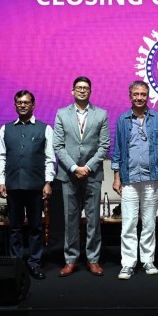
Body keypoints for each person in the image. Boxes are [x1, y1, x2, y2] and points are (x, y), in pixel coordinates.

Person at [0, 90, 56, 280]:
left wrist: (48, 182)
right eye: (19, 103)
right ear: (15, 105)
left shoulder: (45, 128)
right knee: (14, 227)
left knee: (36, 227)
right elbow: (1, 157)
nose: (22, 105)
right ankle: (16, 262)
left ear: (33, 105)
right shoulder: (5, 129)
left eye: (26, 102)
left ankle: (34, 263)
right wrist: (0, 181)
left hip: (36, 186)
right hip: (13, 186)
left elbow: (50, 158)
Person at [53, 77, 110, 277]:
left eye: (86, 88)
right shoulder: (62, 114)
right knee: (70, 220)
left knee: (93, 220)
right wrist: (74, 167)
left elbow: (104, 145)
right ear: (72, 91)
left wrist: (87, 167)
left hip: (92, 174)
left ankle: (93, 259)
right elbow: (58, 145)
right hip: (69, 175)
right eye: (79, 88)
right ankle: (71, 260)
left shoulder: (101, 114)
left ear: (90, 91)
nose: (82, 90)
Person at [112, 80, 158, 279]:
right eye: (136, 94)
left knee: (149, 222)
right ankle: (128, 263)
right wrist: (116, 177)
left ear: (148, 96)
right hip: (128, 178)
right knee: (128, 222)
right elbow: (117, 150)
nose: (139, 98)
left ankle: (147, 260)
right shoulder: (122, 119)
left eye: (143, 94)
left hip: (152, 177)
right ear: (130, 96)